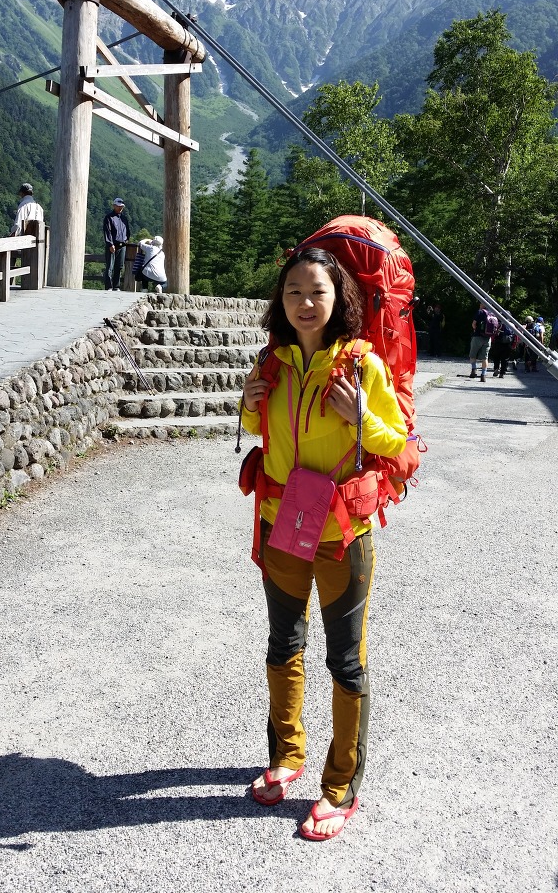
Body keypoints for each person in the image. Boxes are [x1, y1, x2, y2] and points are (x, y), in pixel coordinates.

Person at [240, 247, 407, 841]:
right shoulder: (273, 361)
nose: (305, 303)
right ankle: (287, 755)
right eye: (293, 291)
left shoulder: (362, 366)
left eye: (317, 291)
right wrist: (248, 405)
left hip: (341, 535)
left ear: (340, 298)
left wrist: (362, 416)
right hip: (280, 524)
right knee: (282, 645)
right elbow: (258, 429)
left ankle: (340, 785)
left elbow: (398, 444)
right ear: (279, 300)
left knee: (345, 660)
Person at [103, 198, 131, 291]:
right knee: (110, 266)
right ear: (114, 206)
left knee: (119, 266)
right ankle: (109, 286)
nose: (120, 208)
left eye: (122, 207)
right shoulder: (109, 217)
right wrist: (110, 244)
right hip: (112, 245)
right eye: (118, 206)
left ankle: (116, 286)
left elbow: (127, 231)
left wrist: (126, 240)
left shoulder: (124, 218)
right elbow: (107, 232)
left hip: (122, 245)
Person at [469, 303, 493, 382]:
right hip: (488, 338)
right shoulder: (492, 313)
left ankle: (474, 370)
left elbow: (474, 324)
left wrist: (475, 330)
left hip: (477, 336)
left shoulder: (480, 312)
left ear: (483, 304)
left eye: (481, 303)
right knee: (485, 358)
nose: (479, 304)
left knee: (473, 354)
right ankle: (483, 375)